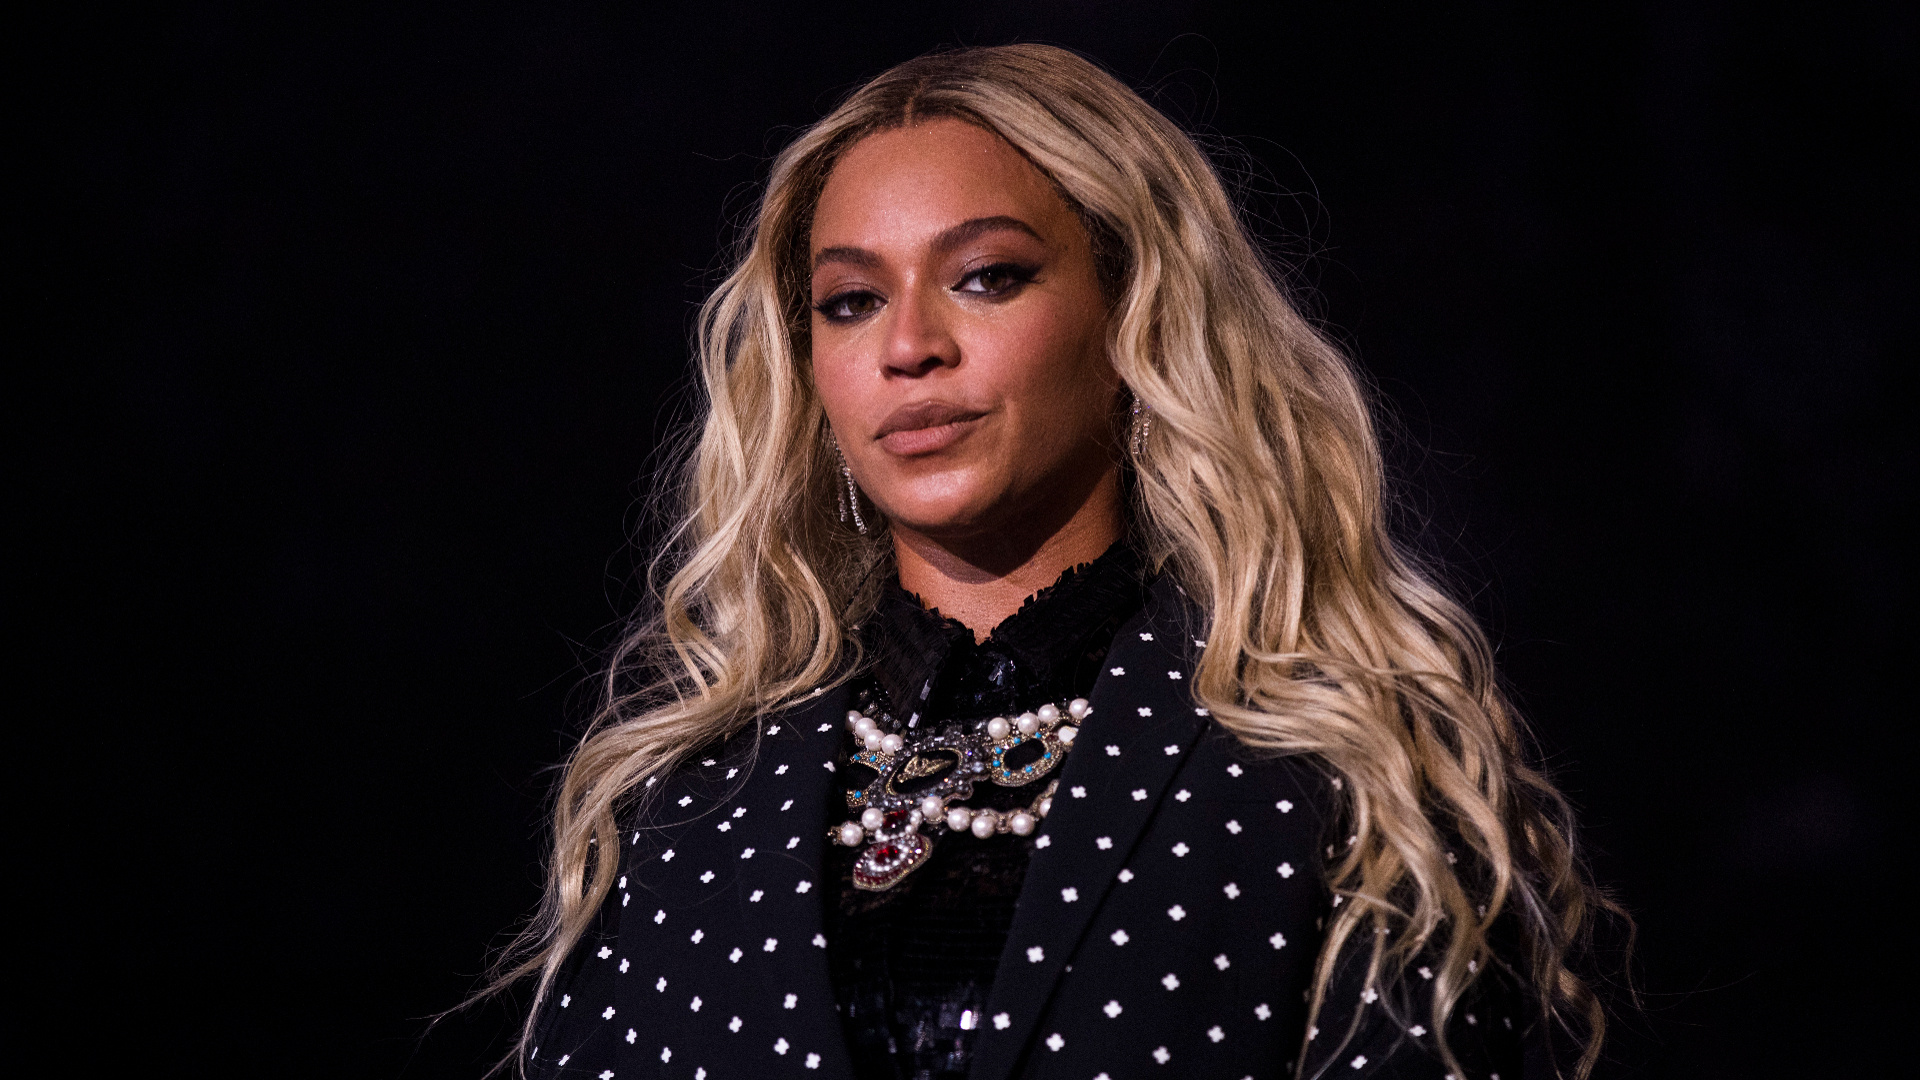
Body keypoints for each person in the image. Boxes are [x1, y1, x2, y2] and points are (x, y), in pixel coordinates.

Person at [496, 44, 1615, 1080]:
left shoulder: (1337, 778)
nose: (908, 346)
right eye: (851, 301)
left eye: (986, 276)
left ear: (1136, 316)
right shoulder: (689, 805)